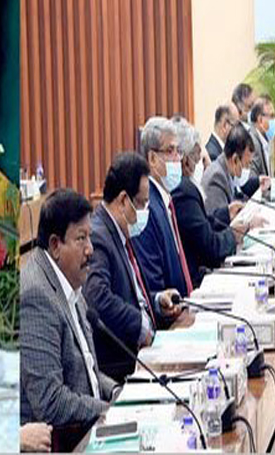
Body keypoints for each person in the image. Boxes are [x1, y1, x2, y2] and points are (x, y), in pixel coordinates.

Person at [20, 189, 116, 447]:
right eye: (81, 239)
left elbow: (85, 371)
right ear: (55, 245)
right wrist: (109, 410)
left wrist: (116, 392)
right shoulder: (36, 296)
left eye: (90, 238)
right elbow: (50, 401)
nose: (90, 250)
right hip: (64, 442)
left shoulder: (69, 280)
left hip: (87, 429)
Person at [85, 152, 182, 381]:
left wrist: (156, 300)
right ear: (122, 200)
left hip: (145, 352)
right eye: (141, 203)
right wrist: (140, 325)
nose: (145, 210)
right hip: (123, 365)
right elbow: (98, 298)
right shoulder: (99, 236)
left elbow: (128, 293)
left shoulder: (119, 230)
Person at [171, 120, 264, 285]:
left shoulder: (187, 187)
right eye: (198, 159)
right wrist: (234, 234)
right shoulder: (186, 190)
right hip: (198, 279)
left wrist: (227, 213)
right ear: (185, 161)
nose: (202, 165)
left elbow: (204, 221)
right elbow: (210, 246)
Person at [133, 117, 196, 297]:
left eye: (178, 151)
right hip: (170, 308)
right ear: (152, 158)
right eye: (170, 151)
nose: (177, 159)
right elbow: (153, 279)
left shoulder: (164, 199)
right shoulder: (147, 206)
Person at [204, 124, 258, 220]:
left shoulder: (226, 171)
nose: (248, 169)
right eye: (247, 164)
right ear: (235, 159)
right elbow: (219, 223)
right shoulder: (217, 177)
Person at [248, 96, 275, 181]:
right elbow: (253, 179)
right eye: (271, 116)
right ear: (260, 119)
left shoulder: (263, 140)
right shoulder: (252, 142)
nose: (274, 120)